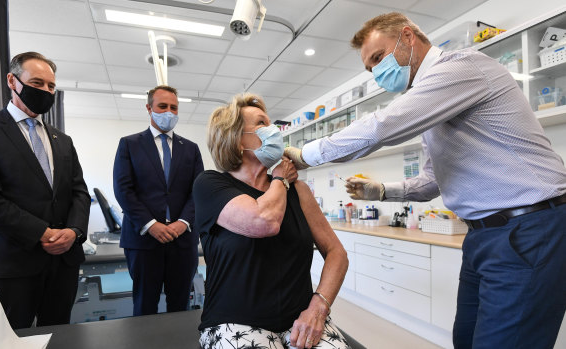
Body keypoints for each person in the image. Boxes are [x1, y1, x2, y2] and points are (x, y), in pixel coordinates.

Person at [284, 12, 566, 349]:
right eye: (370, 70)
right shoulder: (433, 111)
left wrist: (306, 155)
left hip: (530, 227)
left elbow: (382, 126)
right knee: (466, 339)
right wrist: (384, 191)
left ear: (408, 37)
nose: (377, 73)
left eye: (378, 58)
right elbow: (433, 180)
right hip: (483, 237)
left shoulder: (460, 66)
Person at [194, 93, 350, 349]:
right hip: (234, 321)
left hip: (300, 319)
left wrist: (319, 306)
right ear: (236, 141)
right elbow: (264, 221)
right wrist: (280, 179)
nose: (274, 131)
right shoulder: (210, 184)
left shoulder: (299, 191)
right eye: (261, 124)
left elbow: (337, 253)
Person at [0, 51, 91, 329]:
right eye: (38, 83)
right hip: (13, 263)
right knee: (10, 338)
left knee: (59, 335)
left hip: (63, 263)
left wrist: (74, 231)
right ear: (12, 80)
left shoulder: (62, 140)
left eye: (51, 86)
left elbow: (79, 191)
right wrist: (41, 232)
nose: (45, 91)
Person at [113, 85, 204, 316]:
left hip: (182, 240)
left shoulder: (191, 149)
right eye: (162, 106)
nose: (169, 112)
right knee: (144, 304)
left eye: (174, 108)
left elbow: (198, 191)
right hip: (143, 240)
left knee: (180, 304)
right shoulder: (130, 144)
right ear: (149, 108)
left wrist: (182, 222)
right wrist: (150, 225)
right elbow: (124, 190)